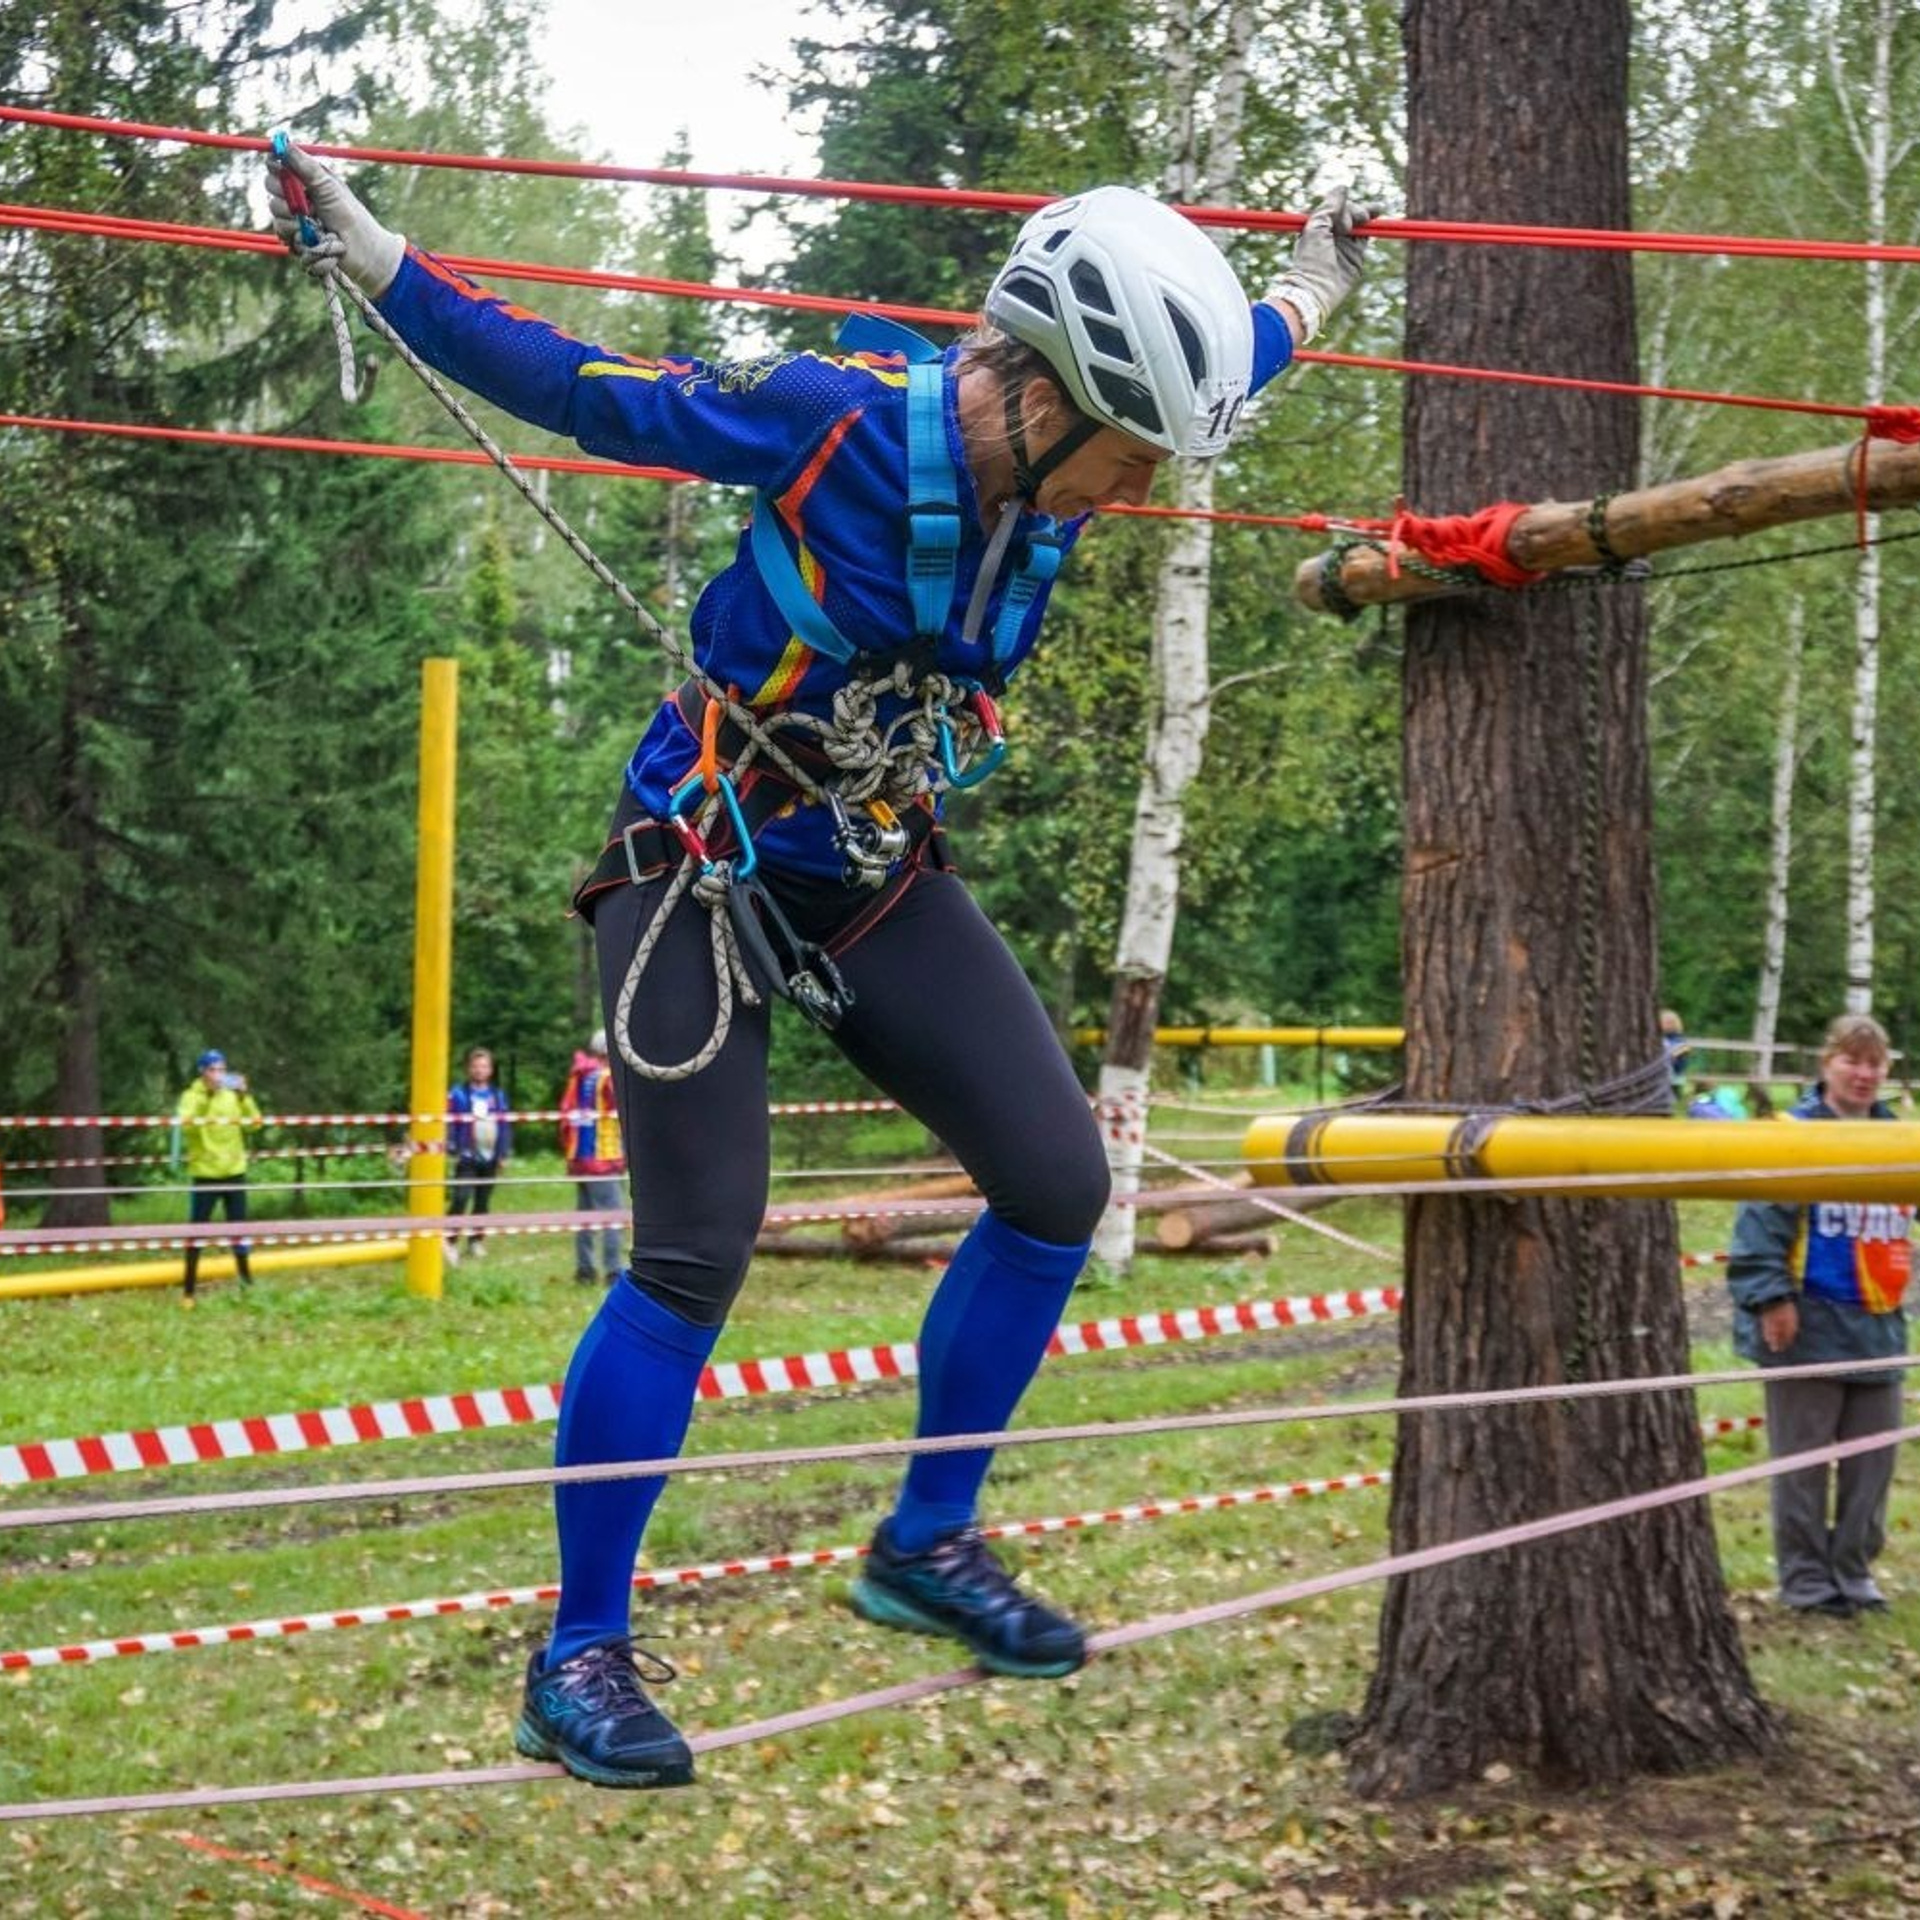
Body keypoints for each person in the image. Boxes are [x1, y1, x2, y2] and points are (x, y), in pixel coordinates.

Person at [268, 141, 1372, 1790]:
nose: (1133, 498)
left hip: (865, 873)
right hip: (699, 857)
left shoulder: (1073, 440)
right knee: (693, 1252)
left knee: (1061, 1180)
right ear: (1051, 397)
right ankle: (577, 1654)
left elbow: (1238, 368)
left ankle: (922, 1547)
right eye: (1128, 461)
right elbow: (587, 391)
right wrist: (377, 261)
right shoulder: (832, 415)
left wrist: (1317, 279)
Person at [1726, 1013, 1913, 1617]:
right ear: (1825, 1064)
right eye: (1851, 1060)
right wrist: (1771, 1298)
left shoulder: (1900, 1139)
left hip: (1879, 1325)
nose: (1863, 1074)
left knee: (1871, 1465)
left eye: (1874, 1063)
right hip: (1807, 1323)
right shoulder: (1795, 1133)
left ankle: (1854, 1573)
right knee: (1801, 1465)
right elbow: (1759, 1226)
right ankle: (1807, 1582)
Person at [170, 1049, 264, 1305]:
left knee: (239, 1231)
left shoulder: (232, 1096)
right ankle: (189, 1292)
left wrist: (245, 1096)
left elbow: (255, 1123)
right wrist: (207, 1097)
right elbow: (186, 1124)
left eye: (222, 1070)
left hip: (234, 1172)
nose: (218, 1075)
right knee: (197, 1233)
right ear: (202, 1072)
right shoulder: (191, 1096)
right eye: (212, 1070)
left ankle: (247, 1285)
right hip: (205, 1175)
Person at [559, 1029, 625, 1288]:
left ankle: (584, 1270)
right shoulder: (609, 1078)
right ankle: (613, 1270)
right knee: (613, 1216)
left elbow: (565, 1118)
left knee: (584, 1217)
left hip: (580, 1157)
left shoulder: (578, 1076)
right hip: (604, 1157)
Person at [445, 1045, 512, 1262]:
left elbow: (504, 1125)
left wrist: (503, 1153)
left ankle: (476, 1241)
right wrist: (452, 1145)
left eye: (484, 1066)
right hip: (467, 1156)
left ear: (490, 1070)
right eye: (475, 1066)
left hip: (490, 1156)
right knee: (461, 1197)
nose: (479, 1070)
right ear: (468, 1069)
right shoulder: (458, 1093)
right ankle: (449, 1240)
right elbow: (449, 1122)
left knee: (482, 1201)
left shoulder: (497, 1095)